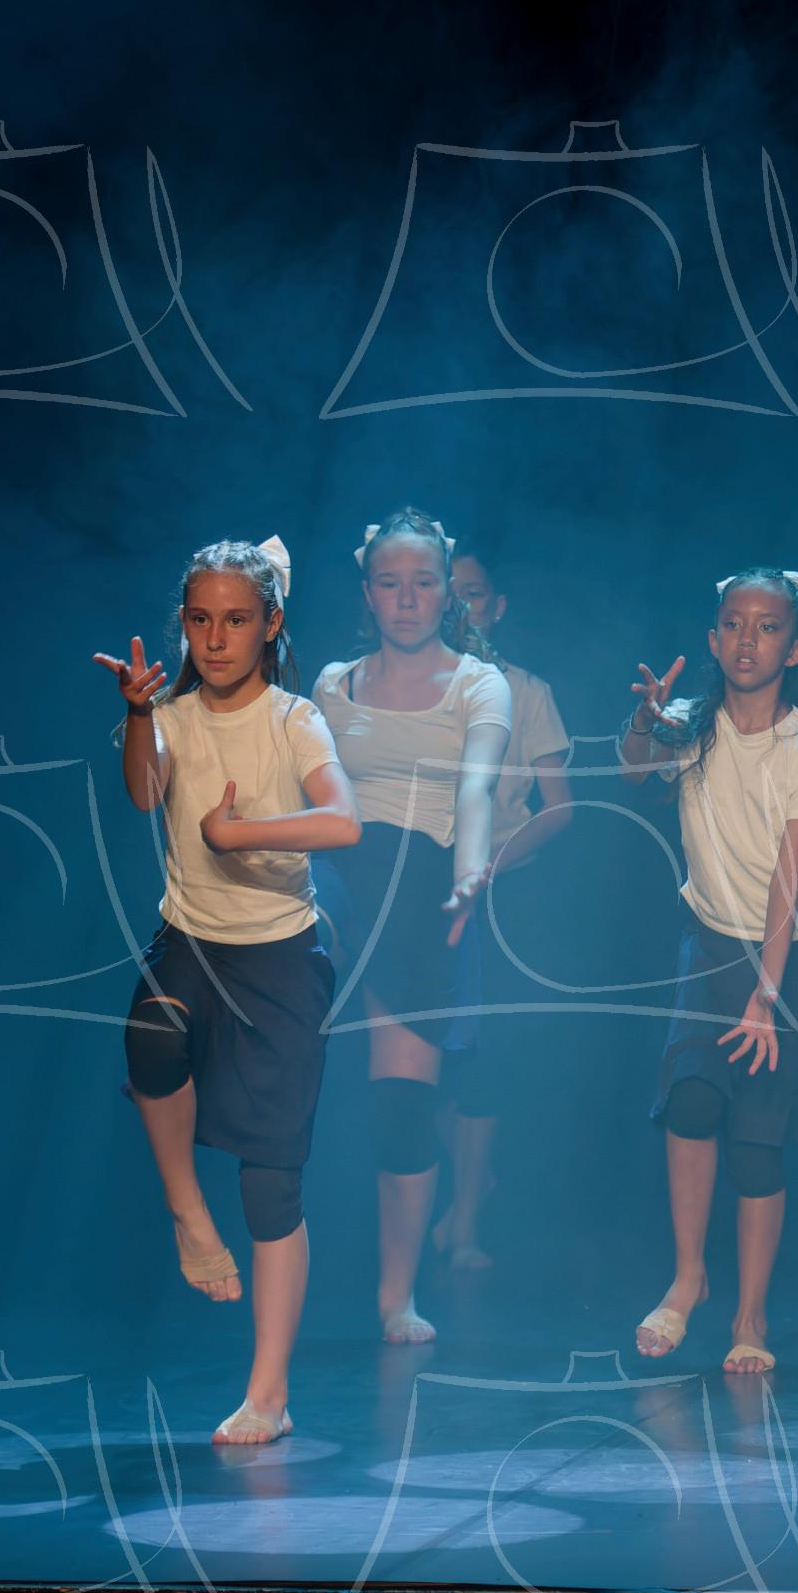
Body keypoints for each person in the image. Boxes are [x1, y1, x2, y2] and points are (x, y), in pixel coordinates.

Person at [93, 536, 359, 1443]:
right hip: (193, 944)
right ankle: (186, 1212)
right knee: (153, 1033)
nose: (215, 639)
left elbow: (344, 821)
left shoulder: (293, 720)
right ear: (183, 624)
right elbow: (144, 793)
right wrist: (139, 715)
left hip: (281, 960)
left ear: (270, 625)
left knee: (272, 1188)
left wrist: (240, 836)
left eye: (236, 620)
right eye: (201, 620)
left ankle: (269, 1395)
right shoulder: (170, 715)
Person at [620, 568, 798, 1372]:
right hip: (709, 945)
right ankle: (688, 1279)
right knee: (688, 1101)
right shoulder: (690, 726)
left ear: (795, 650)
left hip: (788, 956)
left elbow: (788, 878)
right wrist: (642, 722)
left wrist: (767, 995)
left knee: (755, 1146)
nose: (748, 639)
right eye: (734, 624)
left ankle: (751, 1317)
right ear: (713, 640)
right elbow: (634, 768)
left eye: (768, 626)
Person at [312, 508, 512, 1344]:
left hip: (424, 890)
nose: (405, 598)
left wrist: (470, 872)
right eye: (389, 583)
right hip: (337, 878)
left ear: (445, 593)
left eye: (423, 582)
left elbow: (476, 787)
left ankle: (396, 1296)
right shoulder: (333, 685)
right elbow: (308, 794)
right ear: (367, 593)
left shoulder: (479, 684)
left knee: (401, 1109)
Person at [430, 538, 575, 1269]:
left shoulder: (528, 690)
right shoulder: (405, 687)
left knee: (482, 1062)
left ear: (498, 606)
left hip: (503, 895)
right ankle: (460, 1188)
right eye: (449, 591)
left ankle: (465, 1223)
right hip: (417, 888)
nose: (462, 606)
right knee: (425, 1055)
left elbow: (559, 808)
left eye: (475, 593)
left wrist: (490, 865)